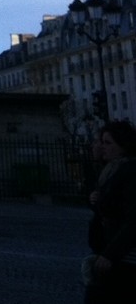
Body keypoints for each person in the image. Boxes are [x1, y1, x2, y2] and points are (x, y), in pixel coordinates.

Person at [85, 120, 136, 302]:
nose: (102, 147)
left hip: (124, 257)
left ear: (123, 145)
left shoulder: (129, 171)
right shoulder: (110, 170)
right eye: (101, 142)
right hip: (110, 252)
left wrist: (110, 254)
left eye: (108, 143)